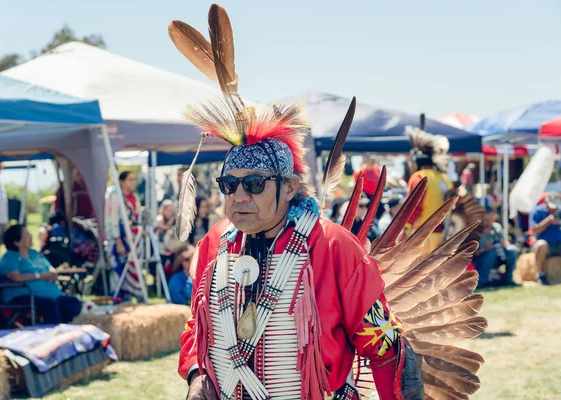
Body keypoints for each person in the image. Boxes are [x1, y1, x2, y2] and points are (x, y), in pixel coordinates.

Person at [169, 5, 484, 399]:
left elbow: (386, 350)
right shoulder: (215, 244)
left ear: (289, 187)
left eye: (254, 184)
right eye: (228, 184)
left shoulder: (333, 248)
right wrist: (198, 375)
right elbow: (197, 327)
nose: (238, 196)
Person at [0, 225, 82, 324]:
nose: (31, 236)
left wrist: (53, 273)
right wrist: (40, 276)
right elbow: (15, 277)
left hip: (49, 294)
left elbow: (49, 267)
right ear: (17, 242)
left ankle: (62, 328)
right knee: (49, 304)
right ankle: (50, 332)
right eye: (27, 235)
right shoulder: (10, 257)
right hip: (23, 295)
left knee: (73, 303)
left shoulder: (34, 254)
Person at [405, 127, 453, 252]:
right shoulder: (446, 179)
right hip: (442, 238)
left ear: (417, 161)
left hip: (421, 238)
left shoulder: (419, 177)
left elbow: (412, 208)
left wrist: (404, 231)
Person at [105, 171, 145, 300]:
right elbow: (113, 220)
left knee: (134, 268)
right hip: (121, 239)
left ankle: (132, 296)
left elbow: (136, 216)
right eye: (130, 180)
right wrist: (118, 241)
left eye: (134, 179)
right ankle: (119, 299)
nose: (133, 182)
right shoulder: (116, 196)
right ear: (122, 182)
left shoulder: (134, 197)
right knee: (120, 269)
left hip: (134, 239)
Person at [473, 210, 518, 287]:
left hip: (499, 256)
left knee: (512, 250)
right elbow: (474, 254)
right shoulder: (476, 232)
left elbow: (506, 243)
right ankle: (483, 282)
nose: (486, 222)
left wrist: (504, 244)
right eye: (484, 220)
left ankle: (508, 279)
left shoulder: (497, 227)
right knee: (491, 253)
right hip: (482, 260)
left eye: (488, 220)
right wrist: (484, 249)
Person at [529, 195, 561, 285]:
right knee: (541, 245)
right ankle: (541, 274)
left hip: (559, 244)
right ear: (546, 204)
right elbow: (534, 231)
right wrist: (548, 221)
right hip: (545, 245)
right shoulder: (537, 211)